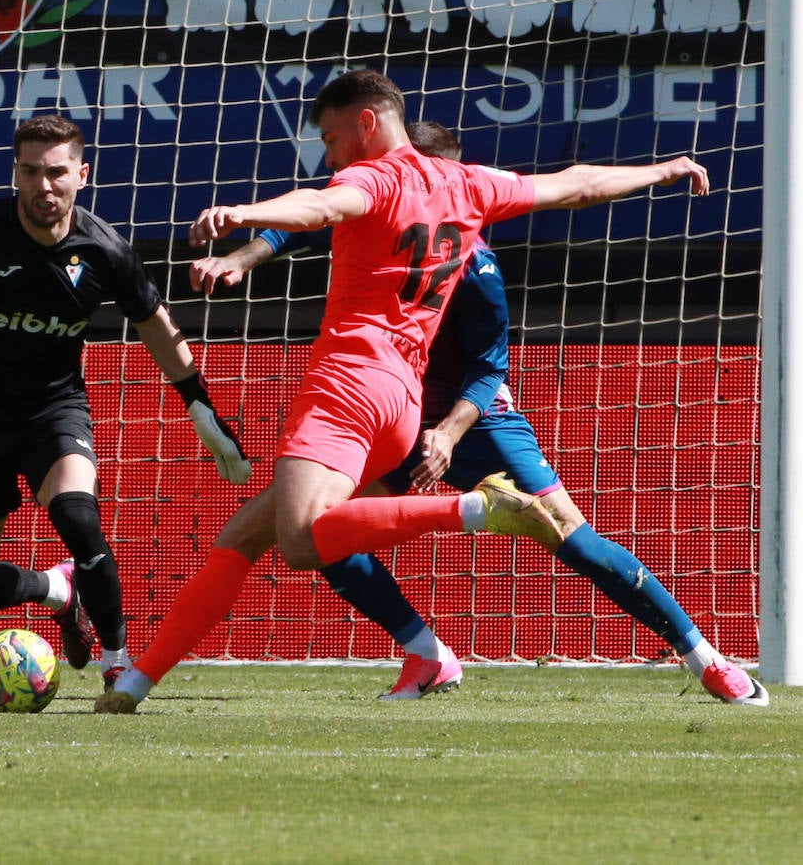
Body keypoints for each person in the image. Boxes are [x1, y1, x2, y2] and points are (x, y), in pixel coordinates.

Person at [97, 71, 710, 713]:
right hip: (403, 399)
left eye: (331, 138)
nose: (329, 157)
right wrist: (662, 170)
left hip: (349, 384)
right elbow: (575, 185)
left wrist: (244, 212)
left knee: (302, 541)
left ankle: (478, 510)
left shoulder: (374, 178)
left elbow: (320, 207)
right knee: (246, 534)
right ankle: (137, 683)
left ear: (367, 122)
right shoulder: (468, 182)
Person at [0, 113, 250, 693]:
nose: (43, 185)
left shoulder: (104, 249)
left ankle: (118, 662)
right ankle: (57, 589)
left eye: (56, 172)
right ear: (15, 173)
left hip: (53, 413)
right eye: (30, 171)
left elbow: (155, 324)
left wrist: (198, 405)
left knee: (78, 518)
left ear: (82, 174)